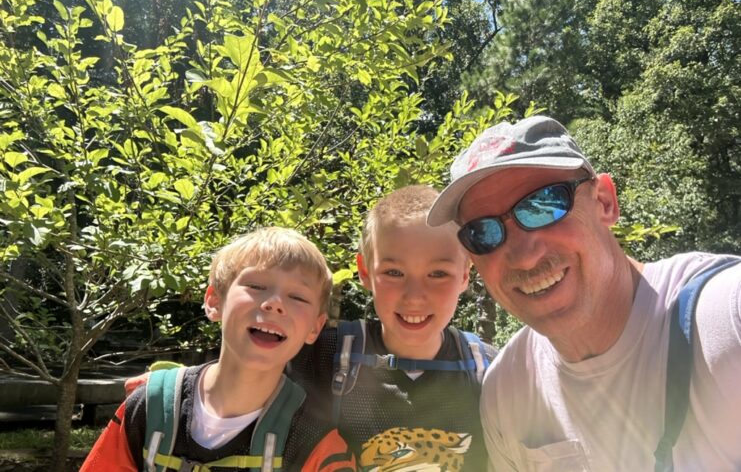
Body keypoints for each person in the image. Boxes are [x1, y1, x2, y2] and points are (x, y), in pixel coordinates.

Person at [426, 115, 741, 471]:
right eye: (483, 232)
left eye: (543, 205)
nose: (525, 257)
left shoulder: (725, 318)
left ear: (605, 201)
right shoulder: (508, 391)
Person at [126, 185, 495, 471]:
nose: (415, 296)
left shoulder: (494, 372)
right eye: (393, 273)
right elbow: (245, 361)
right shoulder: (325, 350)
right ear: (365, 272)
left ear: (466, 274)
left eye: (439, 274)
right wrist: (172, 387)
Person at [82, 227, 356, 471]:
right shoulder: (149, 406)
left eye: (297, 296)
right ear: (214, 301)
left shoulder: (314, 439)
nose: (274, 303)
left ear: (315, 328)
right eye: (256, 286)